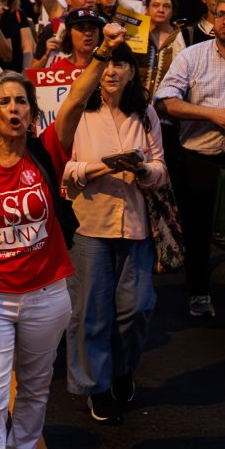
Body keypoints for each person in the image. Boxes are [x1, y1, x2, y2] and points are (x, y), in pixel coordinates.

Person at [53, 25, 167, 422]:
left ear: (133, 72)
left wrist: (142, 170)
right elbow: (62, 168)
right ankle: (94, 385)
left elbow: (160, 168)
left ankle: (122, 369)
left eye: (122, 64)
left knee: (136, 308)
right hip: (90, 225)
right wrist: (100, 168)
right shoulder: (80, 113)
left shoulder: (145, 112)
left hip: (135, 226)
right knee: (90, 312)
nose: (113, 71)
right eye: (107, 64)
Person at [156, 0, 225, 333]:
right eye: (221, 14)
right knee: (197, 230)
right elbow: (165, 100)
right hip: (198, 159)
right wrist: (210, 115)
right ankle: (199, 292)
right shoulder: (191, 56)